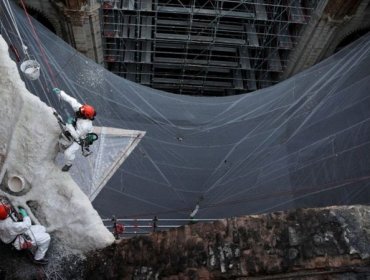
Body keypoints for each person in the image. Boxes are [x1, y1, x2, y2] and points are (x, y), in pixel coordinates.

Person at [52, 88, 96, 172]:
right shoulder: (81, 109)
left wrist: (69, 125)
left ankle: (69, 164)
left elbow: (76, 136)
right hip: (75, 127)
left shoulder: (86, 126)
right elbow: (71, 100)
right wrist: (60, 93)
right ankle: (60, 145)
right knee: (64, 136)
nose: (79, 111)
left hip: (80, 138)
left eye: (82, 112)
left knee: (67, 153)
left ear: (86, 116)